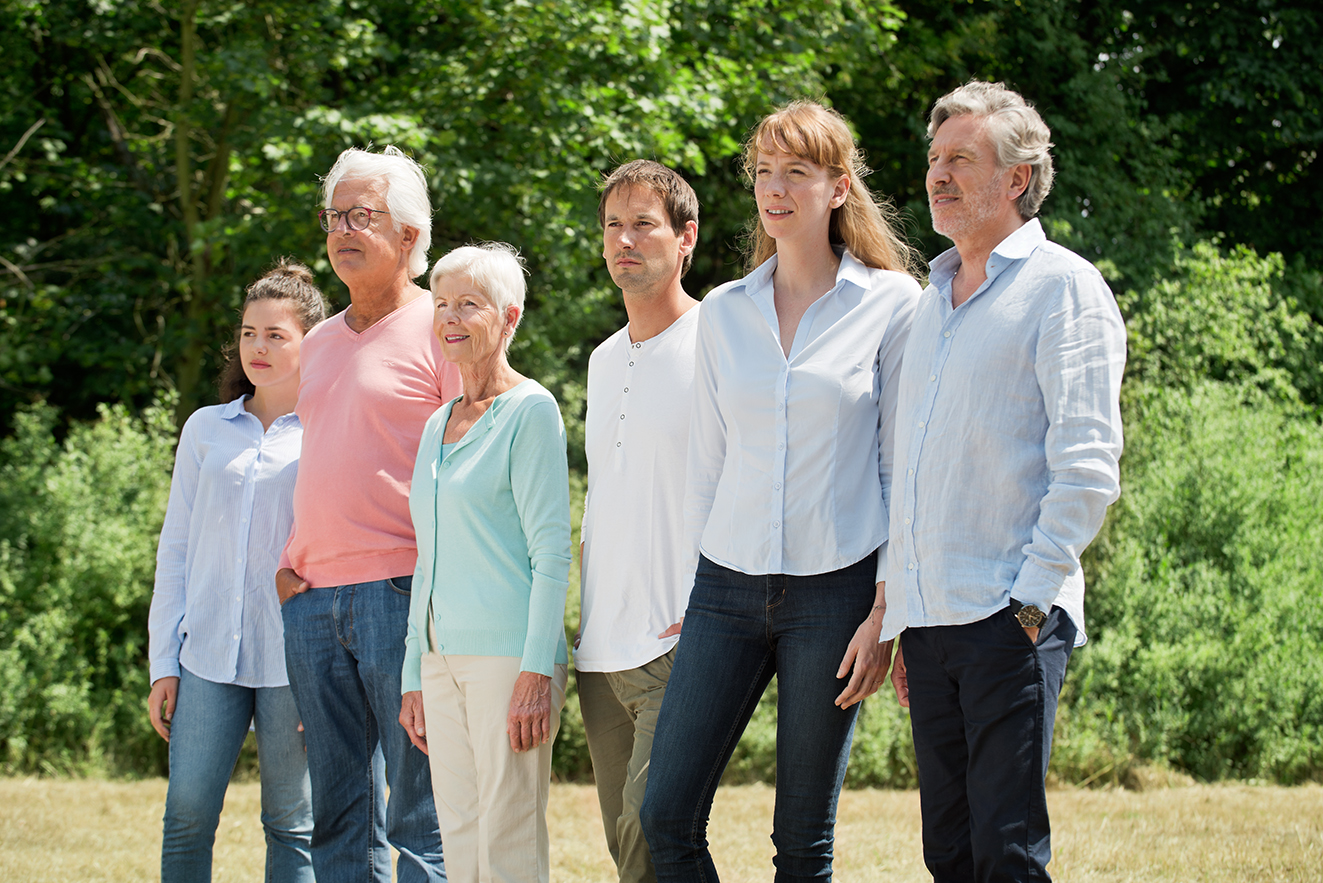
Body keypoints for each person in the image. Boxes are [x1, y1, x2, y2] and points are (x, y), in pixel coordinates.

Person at [638, 101, 922, 881]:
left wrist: (883, 611)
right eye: (764, 171)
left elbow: (902, 471)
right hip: (725, 589)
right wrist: (691, 592)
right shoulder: (724, 313)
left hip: (834, 596)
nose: (774, 188)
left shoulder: (894, 306)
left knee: (800, 843)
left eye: (796, 172)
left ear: (837, 188)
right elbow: (707, 460)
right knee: (664, 815)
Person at [882, 80, 1126, 882]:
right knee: (947, 855)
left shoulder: (1063, 288)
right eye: (933, 158)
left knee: (1006, 854)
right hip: (932, 623)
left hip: (1008, 614)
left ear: (1016, 178)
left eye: (961, 158)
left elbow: (1086, 464)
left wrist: (1027, 601)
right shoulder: (928, 303)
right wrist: (906, 615)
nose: (938, 175)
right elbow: (910, 474)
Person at [276, 146, 459, 883]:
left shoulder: (447, 329)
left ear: (411, 236)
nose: (341, 230)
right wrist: (291, 572)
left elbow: (477, 464)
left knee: (419, 811)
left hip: (403, 594)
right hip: (312, 603)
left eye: (362, 215)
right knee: (338, 815)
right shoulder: (315, 344)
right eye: (333, 216)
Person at [147, 260, 326, 882]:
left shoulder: (328, 434)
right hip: (205, 661)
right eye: (250, 333)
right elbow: (176, 550)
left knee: (293, 825)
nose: (259, 347)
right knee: (187, 817)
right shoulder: (205, 429)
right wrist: (163, 663)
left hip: (293, 663)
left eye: (277, 335)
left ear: (312, 342)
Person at [400, 242, 572, 883]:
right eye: (441, 303)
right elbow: (427, 557)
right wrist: (413, 671)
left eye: (469, 304)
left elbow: (552, 553)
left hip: (509, 659)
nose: (450, 316)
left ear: (509, 317)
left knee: (508, 836)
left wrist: (536, 672)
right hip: (439, 662)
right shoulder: (435, 424)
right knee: (460, 834)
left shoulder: (531, 411)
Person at [577, 160, 700, 883]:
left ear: (685, 237)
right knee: (630, 851)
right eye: (613, 225)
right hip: (601, 651)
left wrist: (707, 612)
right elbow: (602, 500)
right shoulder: (599, 359)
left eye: (644, 223)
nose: (625, 239)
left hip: (676, 641)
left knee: (652, 831)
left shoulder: (720, 335)